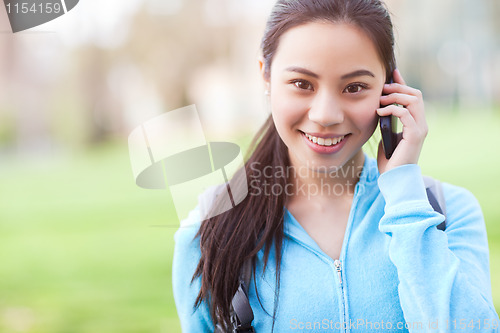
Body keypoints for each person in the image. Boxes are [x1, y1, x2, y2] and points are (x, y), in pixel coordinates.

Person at [172, 0, 500, 332]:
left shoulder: (447, 213)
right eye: (302, 84)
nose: (326, 114)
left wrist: (405, 201)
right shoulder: (208, 232)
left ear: (390, 89)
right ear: (266, 78)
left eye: (354, 87)